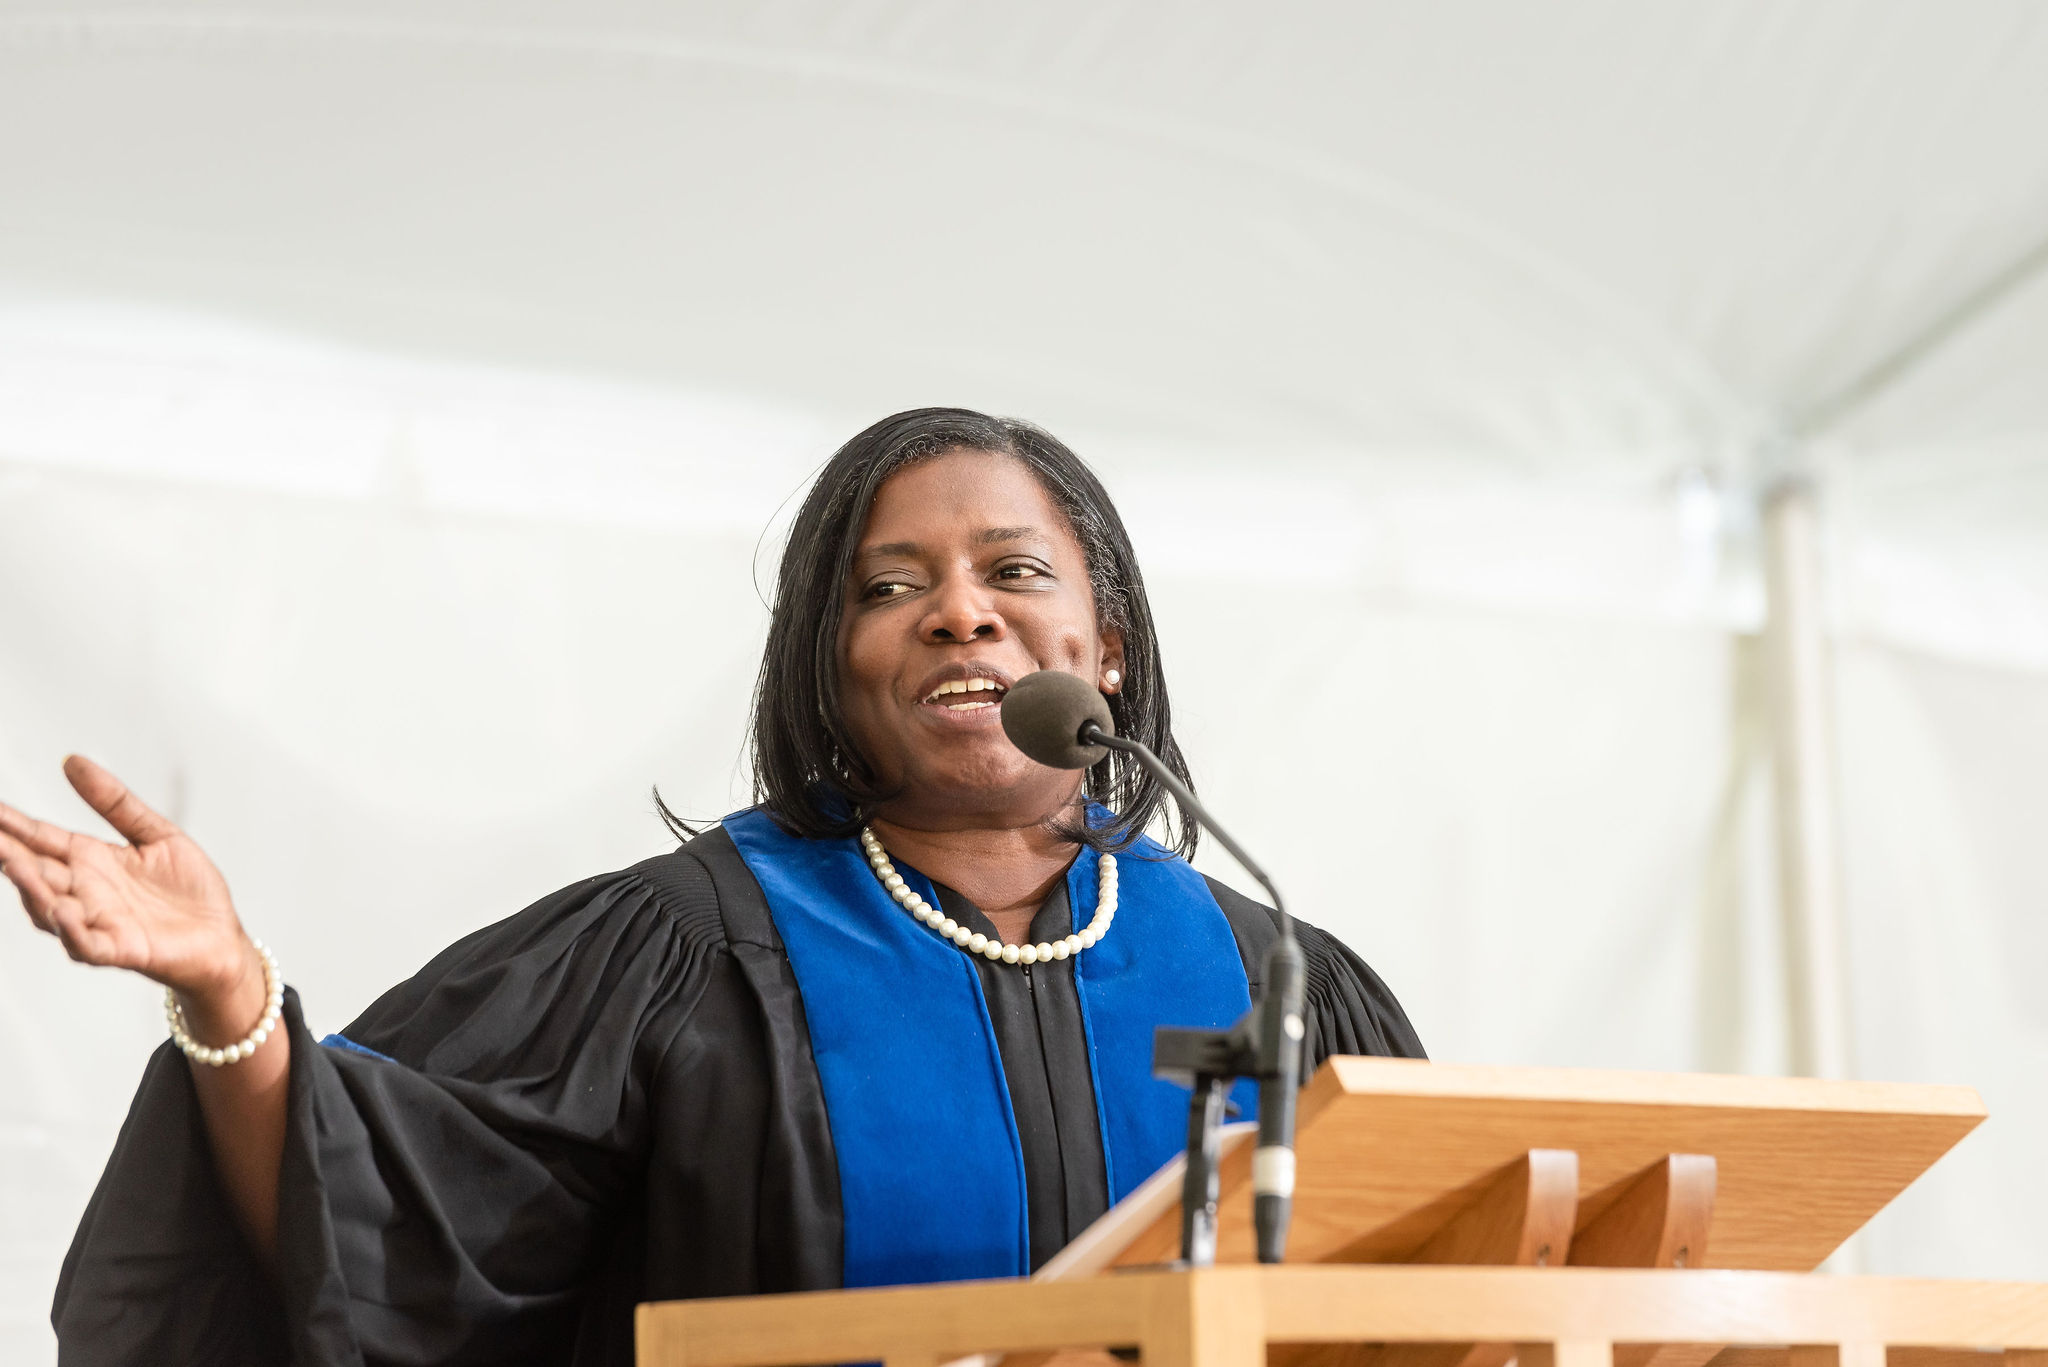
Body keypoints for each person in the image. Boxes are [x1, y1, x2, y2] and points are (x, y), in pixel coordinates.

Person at [1, 408, 1423, 1366]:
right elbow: (377, 1225)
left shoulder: (1278, 980)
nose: (959, 610)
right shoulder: (683, 953)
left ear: (1104, 646)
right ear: (833, 663)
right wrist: (232, 997)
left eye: (1012, 570)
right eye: (888, 586)